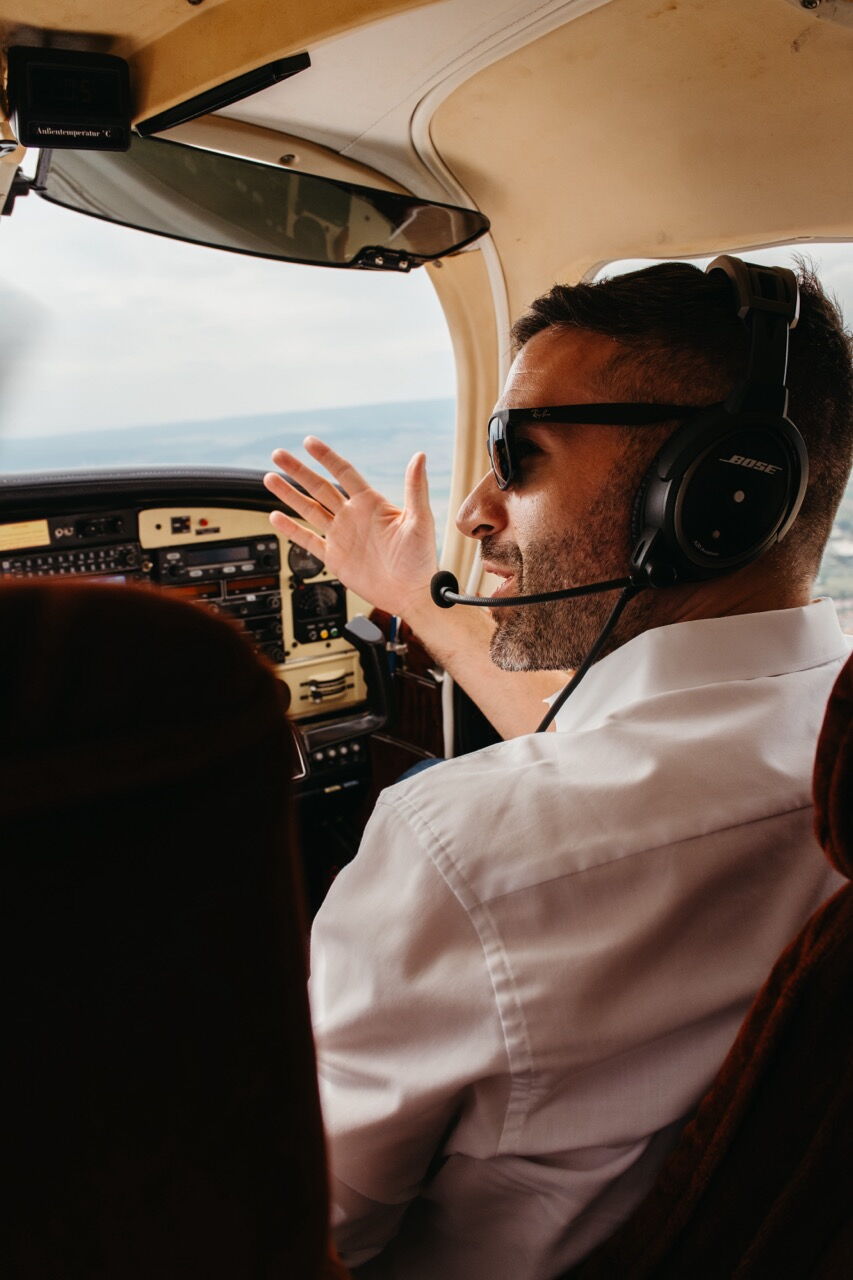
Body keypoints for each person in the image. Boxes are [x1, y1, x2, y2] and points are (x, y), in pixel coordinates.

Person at [263, 261, 853, 1279]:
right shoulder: (827, 743)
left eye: (516, 455)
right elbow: (637, 760)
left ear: (717, 491)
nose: (473, 512)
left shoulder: (461, 850)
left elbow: (280, 1228)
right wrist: (418, 599)